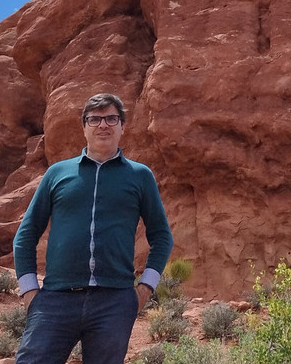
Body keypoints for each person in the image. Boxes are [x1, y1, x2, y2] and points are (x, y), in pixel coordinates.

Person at [13, 93, 173, 364]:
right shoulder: (57, 173)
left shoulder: (139, 175)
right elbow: (25, 235)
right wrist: (30, 291)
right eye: (95, 119)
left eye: (112, 118)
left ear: (122, 126)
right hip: (55, 299)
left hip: (114, 301)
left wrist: (145, 288)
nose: (103, 125)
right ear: (84, 126)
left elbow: (162, 236)